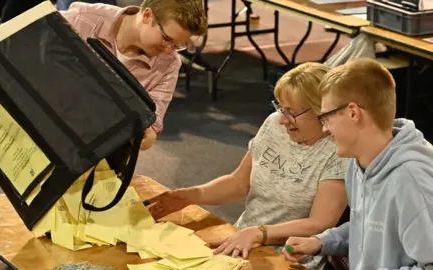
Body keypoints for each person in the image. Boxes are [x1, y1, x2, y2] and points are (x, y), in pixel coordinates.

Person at [145, 63, 348, 262]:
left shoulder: (338, 151)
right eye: (280, 108)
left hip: (289, 257)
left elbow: (319, 224)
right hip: (243, 239)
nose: (282, 120)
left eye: (292, 112)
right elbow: (238, 183)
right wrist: (190, 196)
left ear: (321, 111)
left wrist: (259, 233)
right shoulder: (274, 125)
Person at [282, 58, 433, 269]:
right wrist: (321, 242)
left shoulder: (410, 179)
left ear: (353, 113)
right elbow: (369, 227)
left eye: (326, 118)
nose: (325, 129)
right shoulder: (358, 162)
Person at [60, 0, 207, 150]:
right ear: (147, 16)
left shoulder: (169, 64)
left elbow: (152, 124)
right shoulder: (83, 19)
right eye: (167, 39)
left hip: (94, 151)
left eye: (178, 46)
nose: (169, 50)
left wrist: (147, 135)